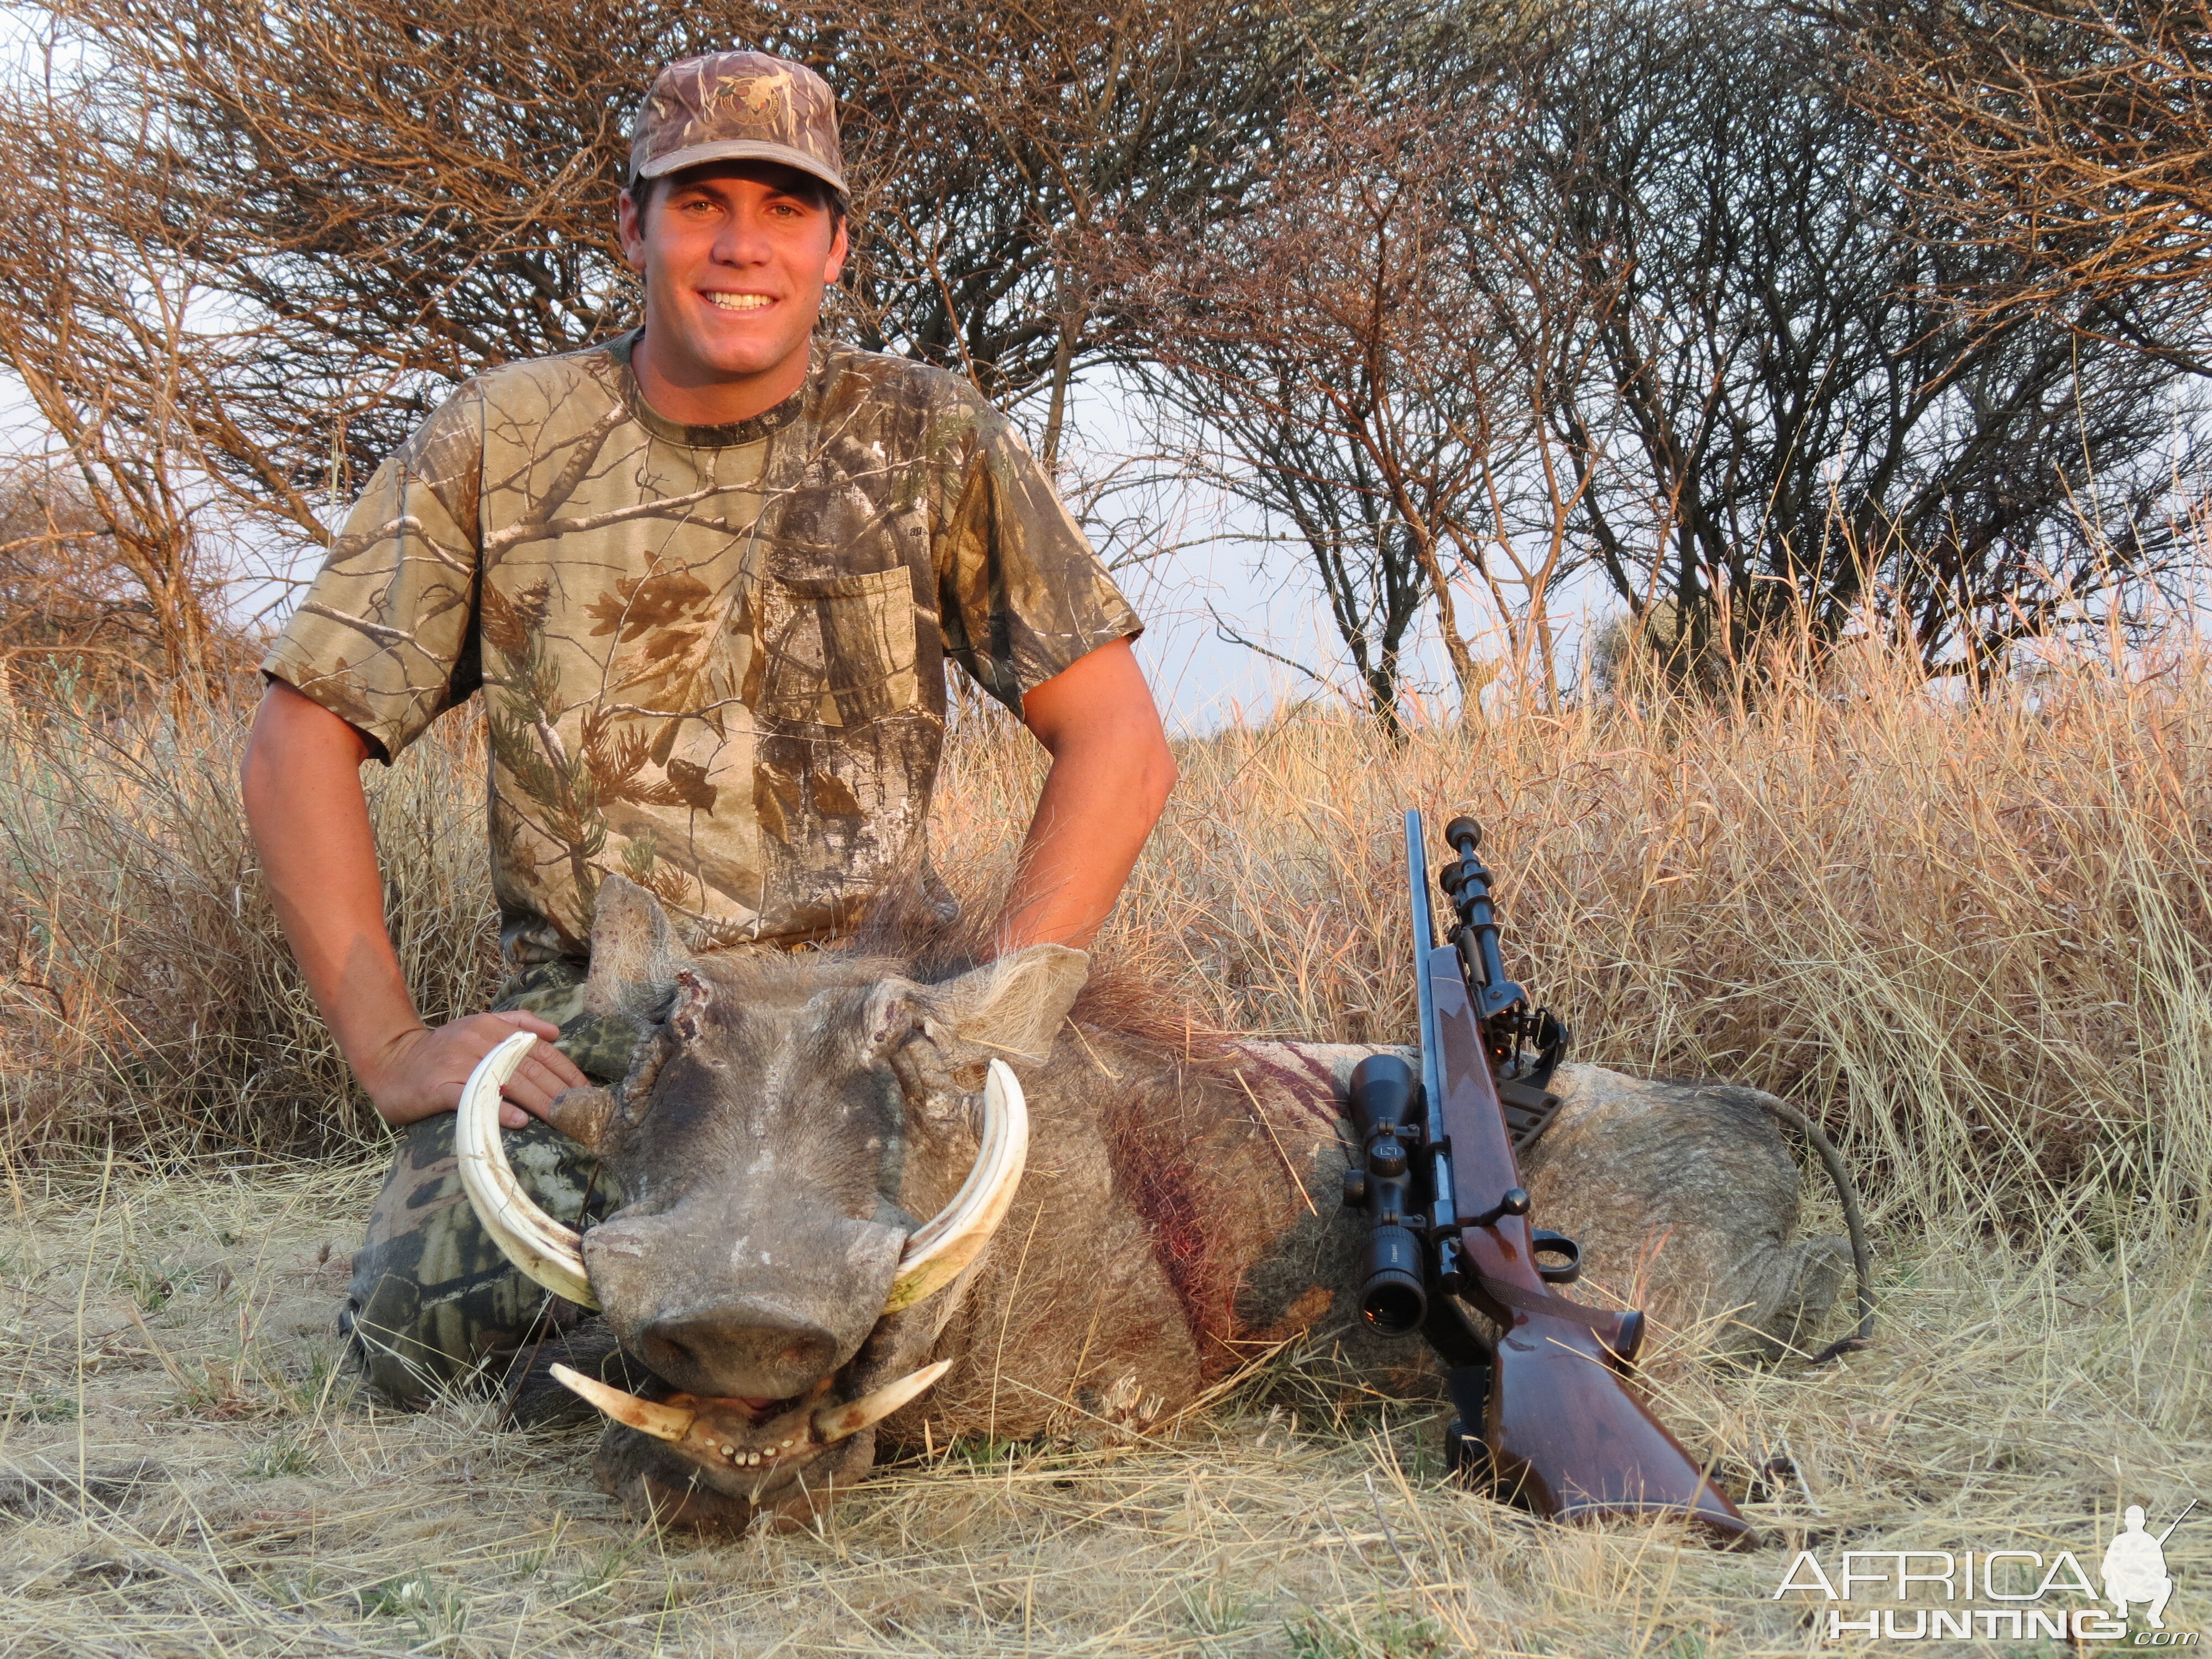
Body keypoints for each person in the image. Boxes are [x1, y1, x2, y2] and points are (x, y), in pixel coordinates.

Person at [240, 50, 1176, 1404]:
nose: (742, 245)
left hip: (864, 1030)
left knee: (1039, 1298)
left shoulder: (934, 435)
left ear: (837, 243)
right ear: (632, 225)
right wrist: (388, 1046)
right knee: (420, 1326)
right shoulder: (500, 436)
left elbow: (1119, 743)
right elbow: (297, 738)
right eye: (700, 203)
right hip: (615, 1041)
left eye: (786, 208)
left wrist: (980, 1025)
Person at [2100, 1506, 2175, 1629]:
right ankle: (2121, 1608)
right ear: (2126, 1521)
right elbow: (2106, 1568)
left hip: (2145, 1586)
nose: (2134, 1522)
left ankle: (2154, 1615)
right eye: (2131, 1519)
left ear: (2144, 1521)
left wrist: (2147, 1568)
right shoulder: (2119, 1541)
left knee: (2166, 1584)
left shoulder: (2150, 1541)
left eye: (2138, 1519)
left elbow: (2162, 1570)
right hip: (2121, 1586)